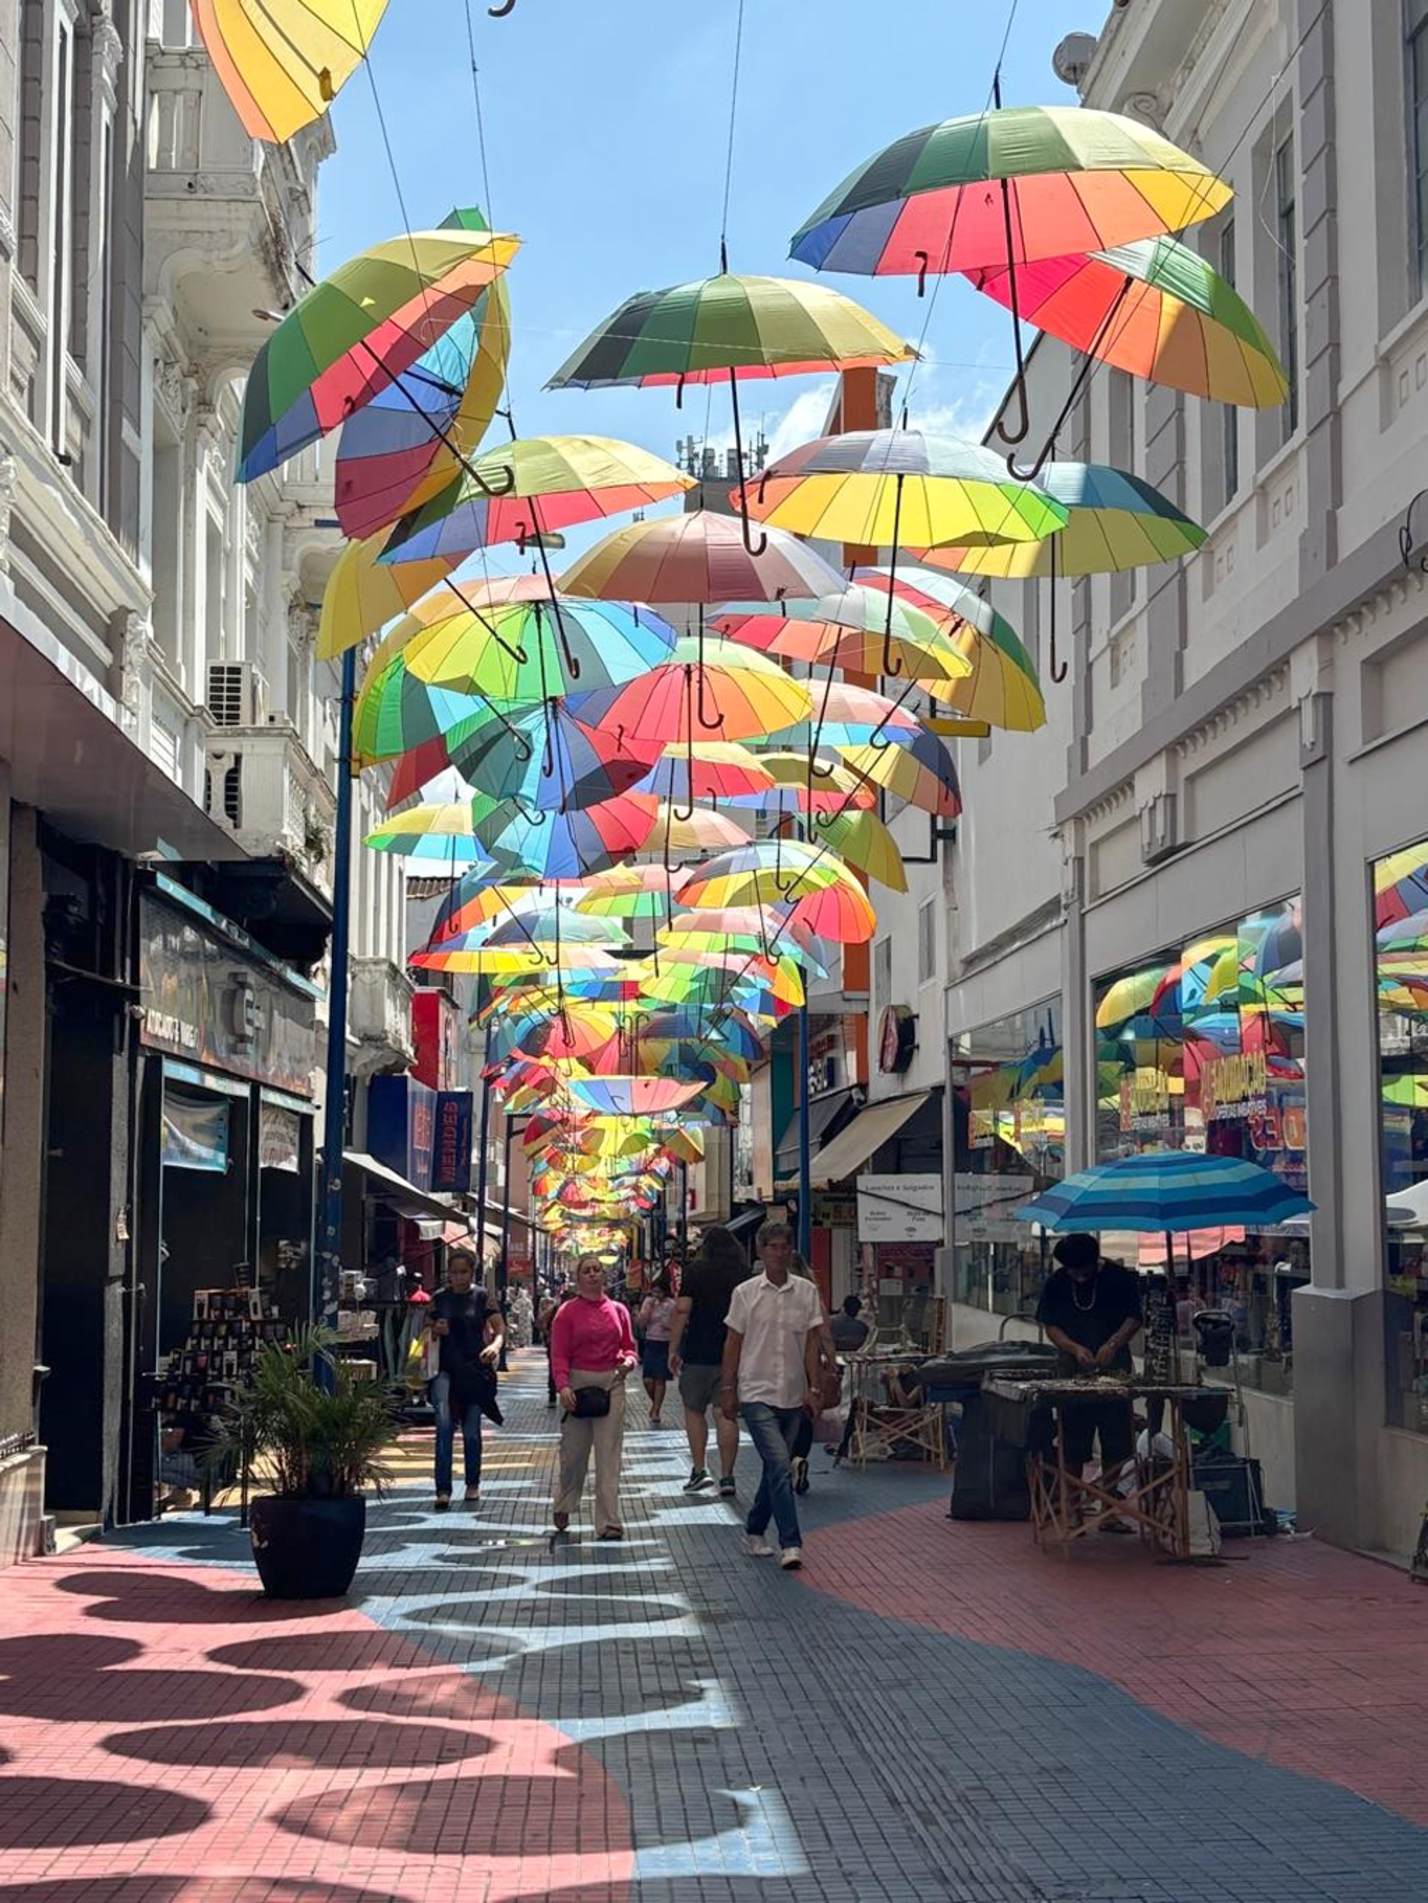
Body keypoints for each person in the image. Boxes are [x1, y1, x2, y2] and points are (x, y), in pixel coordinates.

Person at [720, 1221, 825, 1569]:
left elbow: (811, 1344)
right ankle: (791, 1543)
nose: (780, 1253)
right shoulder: (745, 1294)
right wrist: (728, 1387)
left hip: (792, 1393)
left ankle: (754, 1529)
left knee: (773, 1469)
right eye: (773, 1247)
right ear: (761, 1252)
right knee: (780, 1464)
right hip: (756, 1390)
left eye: (785, 1247)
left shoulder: (807, 1293)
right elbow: (733, 1343)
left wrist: (814, 1386)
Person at [1034, 1232, 1143, 1513]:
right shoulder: (1057, 1283)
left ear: (1095, 1262)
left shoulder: (1119, 1278)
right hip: (1072, 1369)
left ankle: (1108, 1509)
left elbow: (1134, 1318)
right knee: (1072, 1441)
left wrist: (1113, 1343)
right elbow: (1051, 1325)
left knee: (1116, 1440)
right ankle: (1072, 1507)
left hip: (1114, 1368)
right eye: (1073, 1272)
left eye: (1084, 1271)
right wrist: (1073, 1348)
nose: (1079, 1277)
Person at [550, 1253, 638, 1539]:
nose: (592, 1275)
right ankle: (565, 1500)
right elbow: (559, 1353)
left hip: (611, 1383)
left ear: (604, 1275)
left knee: (608, 1455)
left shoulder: (619, 1310)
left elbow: (630, 1347)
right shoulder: (566, 1313)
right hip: (577, 1383)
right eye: (586, 1271)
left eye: (597, 1270)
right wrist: (562, 1386)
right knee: (574, 1455)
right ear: (578, 1278)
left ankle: (609, 1522)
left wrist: (628, 1362)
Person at [669, 1223, 750, 1497]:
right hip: (733, 1353)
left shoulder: (696, 1272)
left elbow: (682, 1310)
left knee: (694, 1409)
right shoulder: (743, 1274)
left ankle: (700, 1468)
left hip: (699, 1352)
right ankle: (727, 1476)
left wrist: (673, 1348)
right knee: (725, 1413)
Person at [428, 1247, 504, 1511]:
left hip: (473, 1370)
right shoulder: (439, 1299)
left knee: (471, 1431)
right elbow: (423, 1331)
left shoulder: (482, 1297)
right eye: (453, 1273)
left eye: (463, 1272)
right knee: (444, 1427)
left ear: (472, 1273)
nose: (458, 1278)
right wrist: (435, 1330)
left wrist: (495, 1346)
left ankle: (473, 1482)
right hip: (445, 1371)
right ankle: (443, 1489)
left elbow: (499, 1329)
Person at [637, 1271, 677, 1426]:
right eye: (654, 1291)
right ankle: (656, 1403)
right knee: (648, 1379)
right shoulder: (648, 1302)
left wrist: (666, 1319)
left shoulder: (671, 1304)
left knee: (660, 1379)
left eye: (659, 1291)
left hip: (665, 1343)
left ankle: (656, 1410)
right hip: (651, 1341)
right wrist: (648, 1310)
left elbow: (672, 1325)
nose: (656, 1294)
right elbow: (641, 1323)